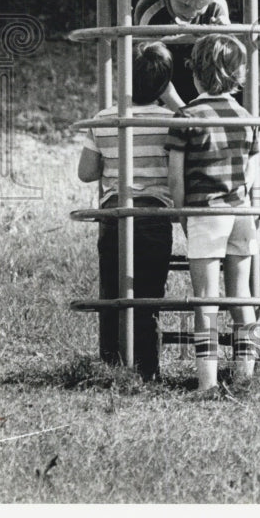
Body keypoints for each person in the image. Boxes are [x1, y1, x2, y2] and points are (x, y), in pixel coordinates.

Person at [77, 41, 178, 381]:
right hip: (154, 216)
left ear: (122, 79)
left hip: (114, 214)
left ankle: (111, 363)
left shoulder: (105, 118)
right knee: (149, 292)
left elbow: (86, 172)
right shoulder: (173, 121)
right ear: (165, 84)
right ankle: (148, 369)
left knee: (113, 289)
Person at [166, 34, 259, 395]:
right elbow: (251, 172)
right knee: (240, 295)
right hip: (241, 210)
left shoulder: (186, 117)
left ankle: (207, 382)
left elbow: (176, 176)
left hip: (205, 211)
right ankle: (245, 376)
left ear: (195, 74)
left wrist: (182, 214)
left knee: (206, 297)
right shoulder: (246, 117)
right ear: (238, 75)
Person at [134, 0, 230, 108]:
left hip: (200, 75)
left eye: (200, 6)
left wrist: (225, 38)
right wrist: (185, 113)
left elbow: (224, 66)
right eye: (185, 5)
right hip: (162, 77)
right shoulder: (151, 8)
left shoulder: (216, 7)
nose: (192, 13)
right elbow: (150, 70)